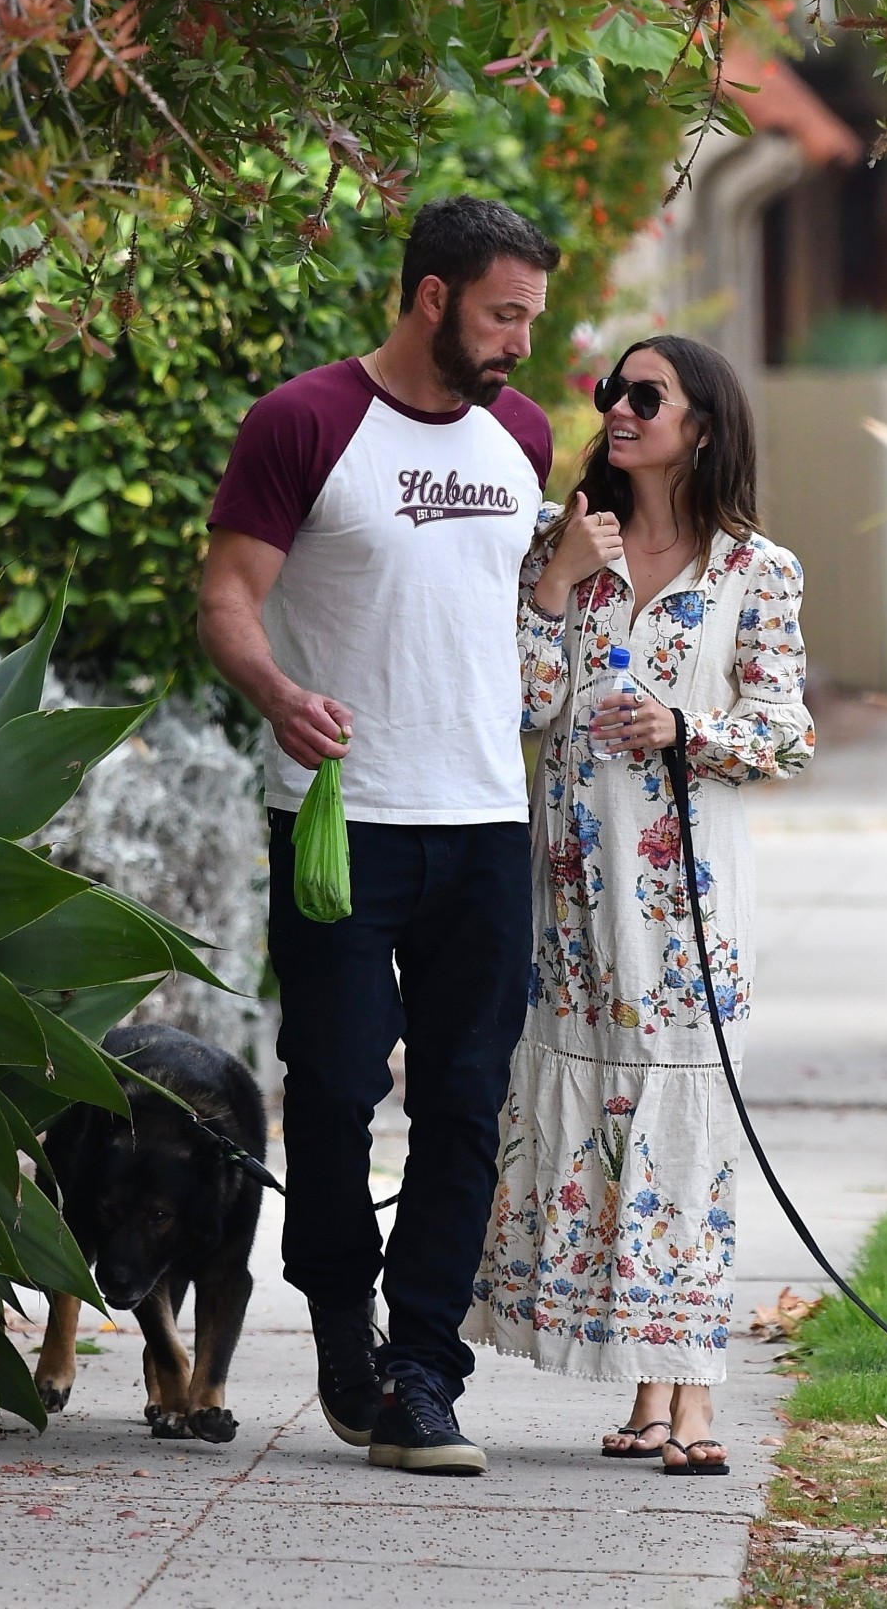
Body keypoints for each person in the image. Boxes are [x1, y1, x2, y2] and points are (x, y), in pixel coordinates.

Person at [197, 195, 560, 1475]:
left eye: (532, 315)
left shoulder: (522, 434)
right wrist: (279, 694)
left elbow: (507, 608)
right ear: (430, 297)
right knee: (341, 1088)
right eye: (502, 313)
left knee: (467, 1102)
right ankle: (344, 1332)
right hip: (342, 821)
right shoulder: (305, 422)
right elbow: (229, 593)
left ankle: (419, 1371)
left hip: (484, 823)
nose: (521, 340)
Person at [465, 335, 815, 1474]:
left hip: (686, 889)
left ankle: (692, 1398)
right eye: (609, 390)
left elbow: (786, 733)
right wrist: (559, 582)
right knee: (600, 1110)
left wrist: (687, 730)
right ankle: (643, 1398)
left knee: (685, 1121)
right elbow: (521, 704)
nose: (617, 406)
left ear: (700, 423)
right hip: (570, 884)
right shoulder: (566, 543)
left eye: (644, 394)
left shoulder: (757, 571)